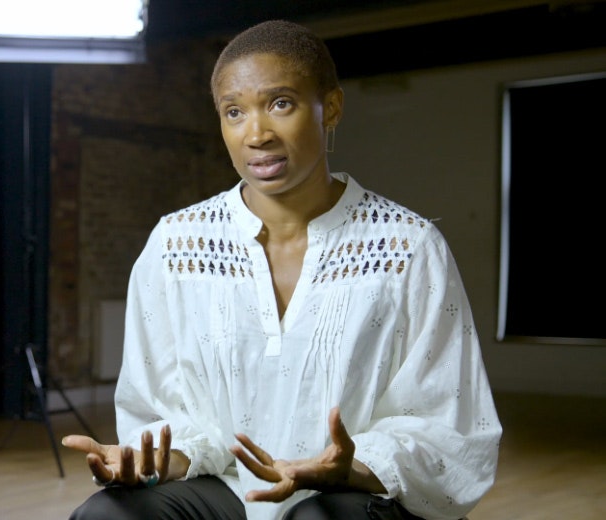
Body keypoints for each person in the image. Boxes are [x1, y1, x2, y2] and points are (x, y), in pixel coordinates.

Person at [62, 19, 501, 520]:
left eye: (280, 104)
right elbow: (159, 407)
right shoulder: (176, 245)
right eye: (234, 112)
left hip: (352, 494)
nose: (257, 134)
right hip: (227, 488)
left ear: (330, 108)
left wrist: (354, 469)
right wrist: (163, 458)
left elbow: (448, 425)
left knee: (315, 519)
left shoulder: (407, 247)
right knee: (109, 515)